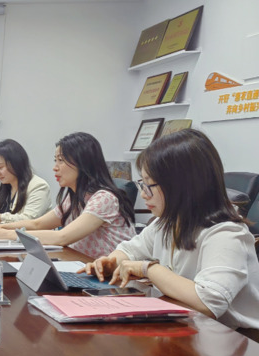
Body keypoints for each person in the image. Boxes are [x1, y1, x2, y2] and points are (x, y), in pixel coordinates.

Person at [82, 129, 259, 329]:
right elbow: (130, 250)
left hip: (235, 339)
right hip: (188, 326)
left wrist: (148, 269)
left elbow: (209, 302)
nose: (143, 194)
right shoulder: (166, 222)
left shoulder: (226, 233)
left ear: (183, 186)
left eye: (149, 185)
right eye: (142, 184)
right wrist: (112, 262)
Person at [0, 132, 135, 258]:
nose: (55, 167)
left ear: (83, 163)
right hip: (81, 265)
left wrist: (6, 234)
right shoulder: (73, 197)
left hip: (109, 277)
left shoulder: (104, 198)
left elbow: (62, 237)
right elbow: (37, 224)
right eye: (56, 160)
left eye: (61, 160)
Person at [0, 139, 51, 224]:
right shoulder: (6, 186)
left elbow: (28, 220)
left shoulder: (39, 186)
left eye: (0, 167)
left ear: (16, 163)